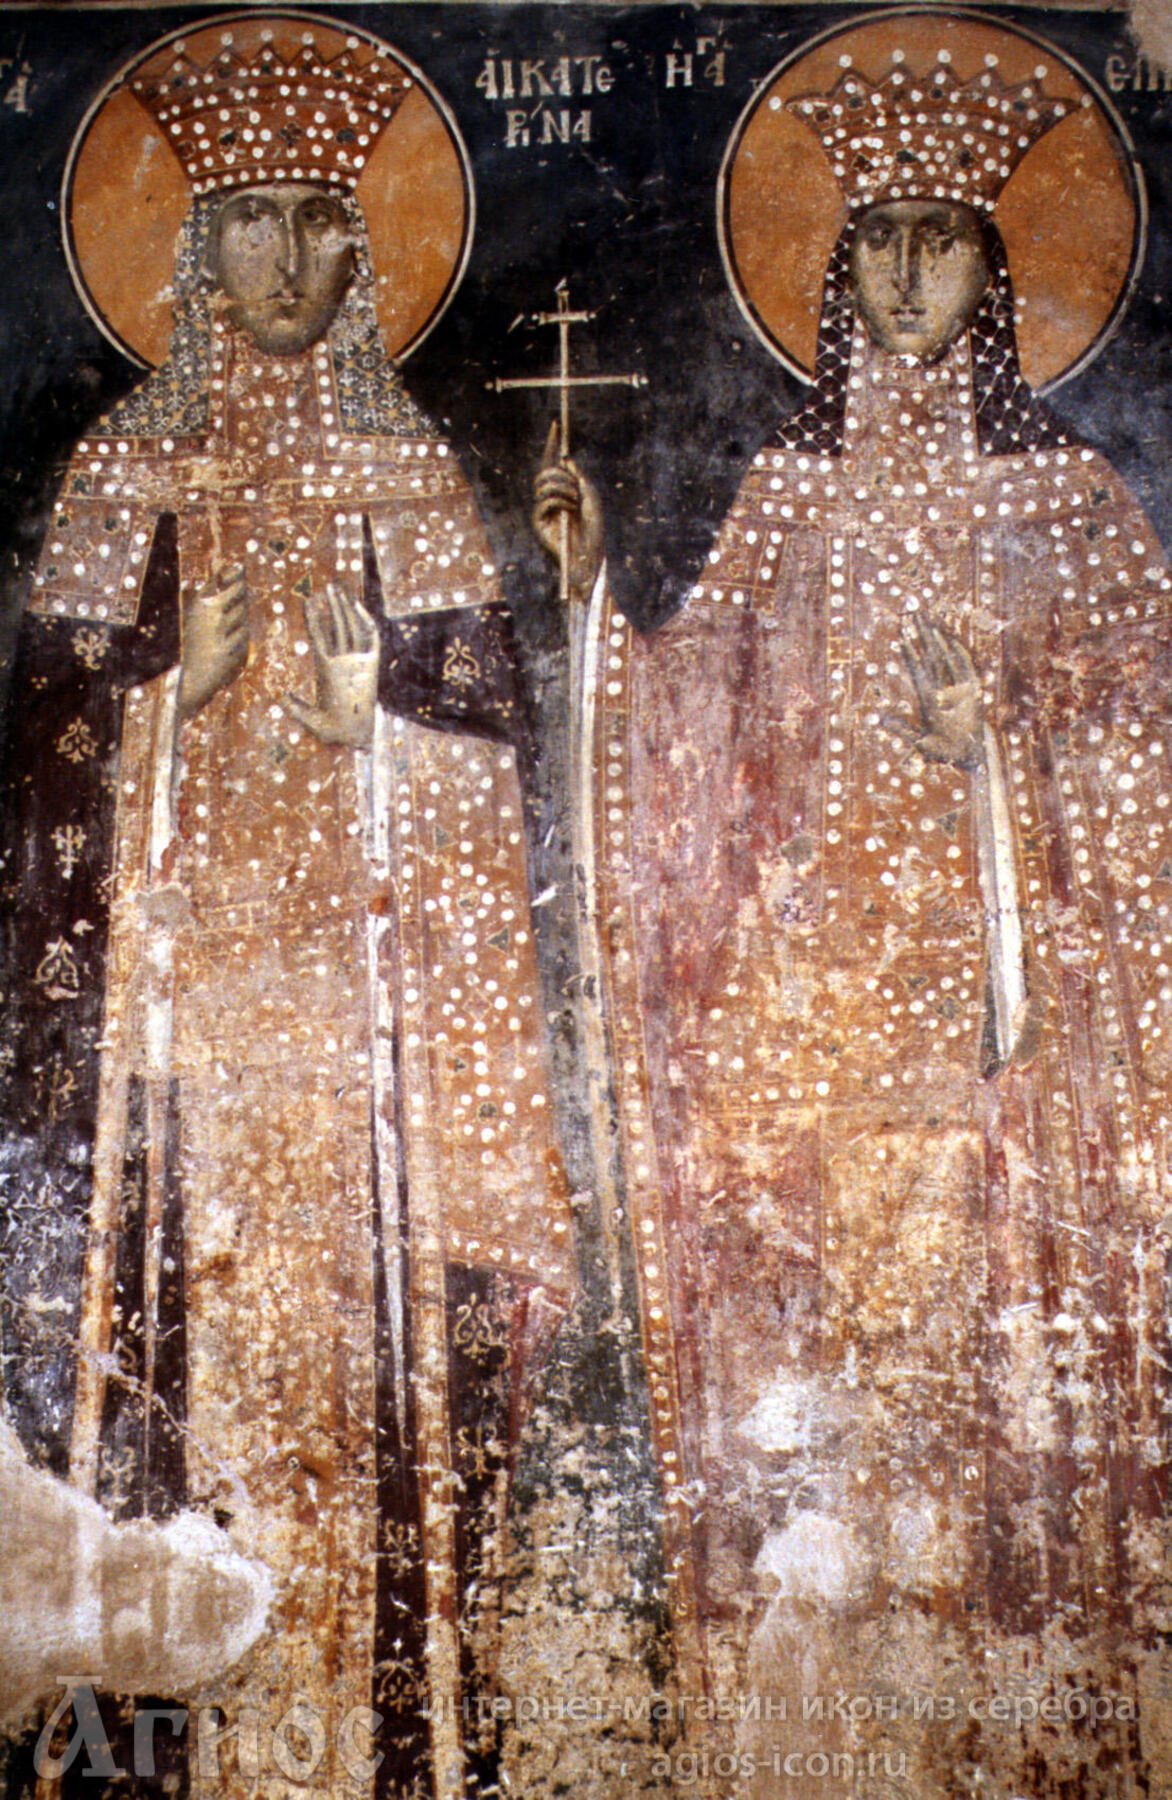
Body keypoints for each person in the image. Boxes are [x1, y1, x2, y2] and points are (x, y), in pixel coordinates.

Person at [539, 44, 1172, 1798]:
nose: (904, 275)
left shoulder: (1076, 508)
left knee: (973, 1382)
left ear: (995, 269)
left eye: (939, 240)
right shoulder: (788, 498)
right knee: (817, 1389)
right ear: (835, 269)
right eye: (876, 240)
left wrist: (1000, 746)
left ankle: (991, 1736)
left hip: (999, 1045)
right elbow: (682, 716)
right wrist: (593, 600)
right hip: (807, 1034)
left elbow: (1149, 763)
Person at [0, 25, 575, 1800]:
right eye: (245, 218)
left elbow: (503, 757)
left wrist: (375, 726)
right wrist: (164, 698)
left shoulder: (414, 481)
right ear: (195, 248)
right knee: (166, 1367)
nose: (280, 254)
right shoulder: (121, 477)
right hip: (174, 1057)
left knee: (369, 1396)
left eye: (316, 218)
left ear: (360, 249)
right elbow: (39, 769)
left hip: (368, 1063)